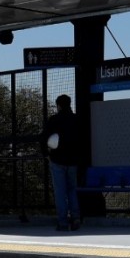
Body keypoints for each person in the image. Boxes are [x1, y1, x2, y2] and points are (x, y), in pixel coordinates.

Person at [42, 94, 81, 231]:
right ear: (70, 104)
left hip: (57, 160)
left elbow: (44, 137)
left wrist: (46, 154)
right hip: (73, 160)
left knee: (60, 192)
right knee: (72, 190)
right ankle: (76, 218)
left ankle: (63, 222)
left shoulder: (54, 120)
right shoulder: (76, 120)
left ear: (58, 105)